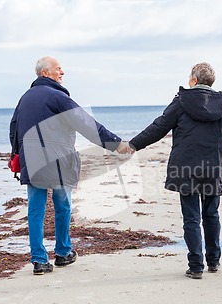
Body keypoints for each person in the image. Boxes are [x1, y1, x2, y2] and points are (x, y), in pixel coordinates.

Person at [9, 56, 133, 275]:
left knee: (35, 210)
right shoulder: (58, 97)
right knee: (62, 206)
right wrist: (115, 144)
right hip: (59, 161)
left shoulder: (24, 98)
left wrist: (18, 155)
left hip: (33, 161)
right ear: (45, 73)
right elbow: (86, 124)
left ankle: (39, 260)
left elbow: (14, 128)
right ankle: (63, 252)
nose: (62, 72)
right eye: (58, 69)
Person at [128, 62, 222, 279]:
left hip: (185, 167)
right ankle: (213, 261)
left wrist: (133, 144)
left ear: (194, 80)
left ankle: (196, 266)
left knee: (191, 218)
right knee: (211, 214)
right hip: (212, 167)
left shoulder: (181, 102)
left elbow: (159, 127)